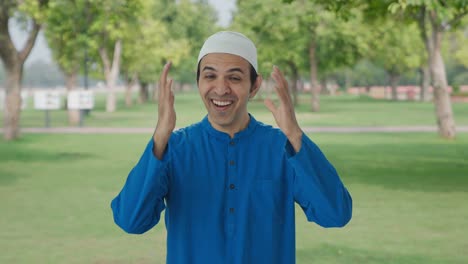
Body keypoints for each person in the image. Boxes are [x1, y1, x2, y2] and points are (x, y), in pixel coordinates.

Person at [111, 31, 352, 264]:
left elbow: (335, 214)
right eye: (210, 76)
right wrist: (160, 138)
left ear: (254, 86)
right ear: (198, 82)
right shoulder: (174, 149)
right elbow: (131, 221)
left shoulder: (282, 148)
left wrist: (295, 135)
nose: (221, 88)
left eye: (234, 78)